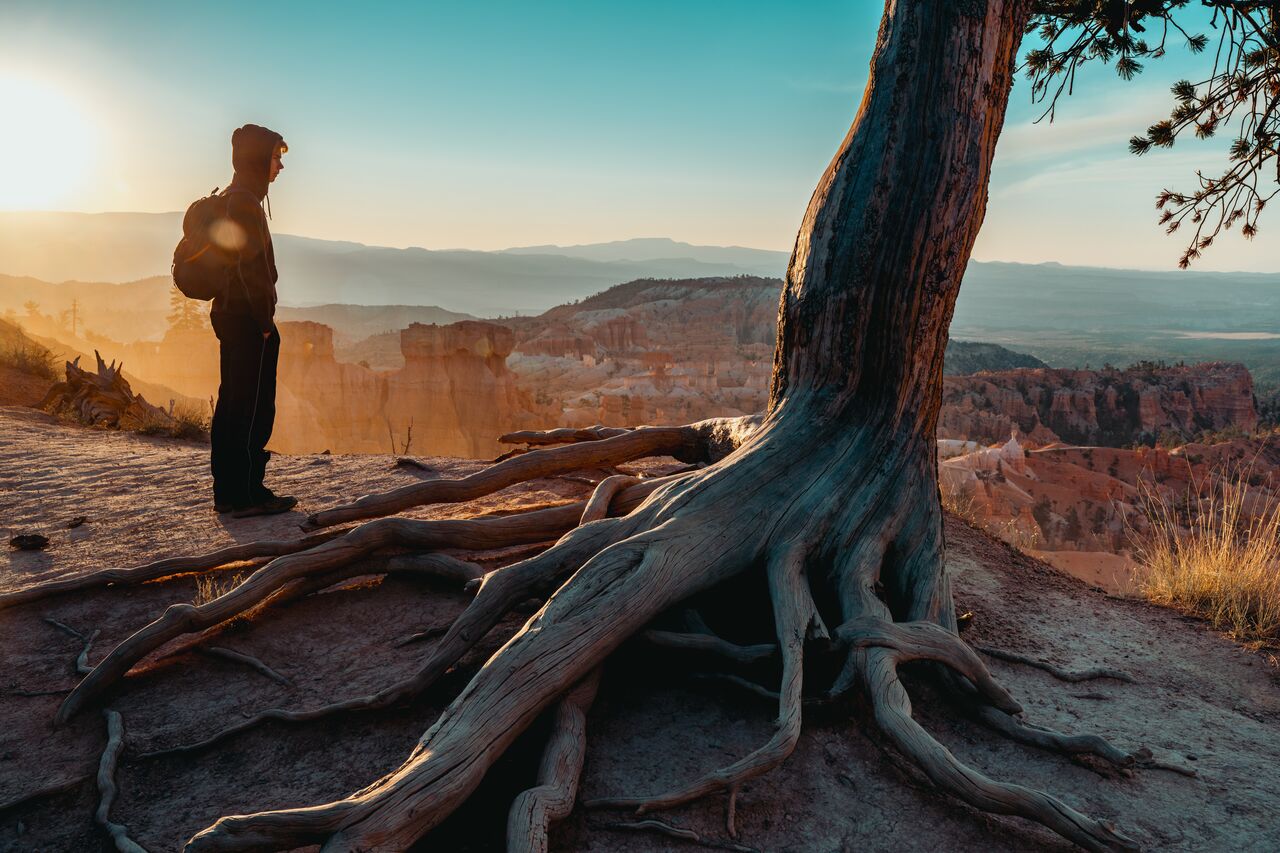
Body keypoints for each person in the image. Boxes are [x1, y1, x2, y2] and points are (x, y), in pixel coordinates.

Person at [209, 123, 298, 517]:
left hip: (234, 315)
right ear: (260, 159)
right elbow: (252, 270)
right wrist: (265, 322)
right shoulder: (245, 203)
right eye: (276, 157)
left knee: (233, 402)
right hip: (248, 320)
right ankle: (247, 494)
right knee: (252, 407)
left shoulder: (236, 198)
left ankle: (229, 492)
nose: (280, 166)